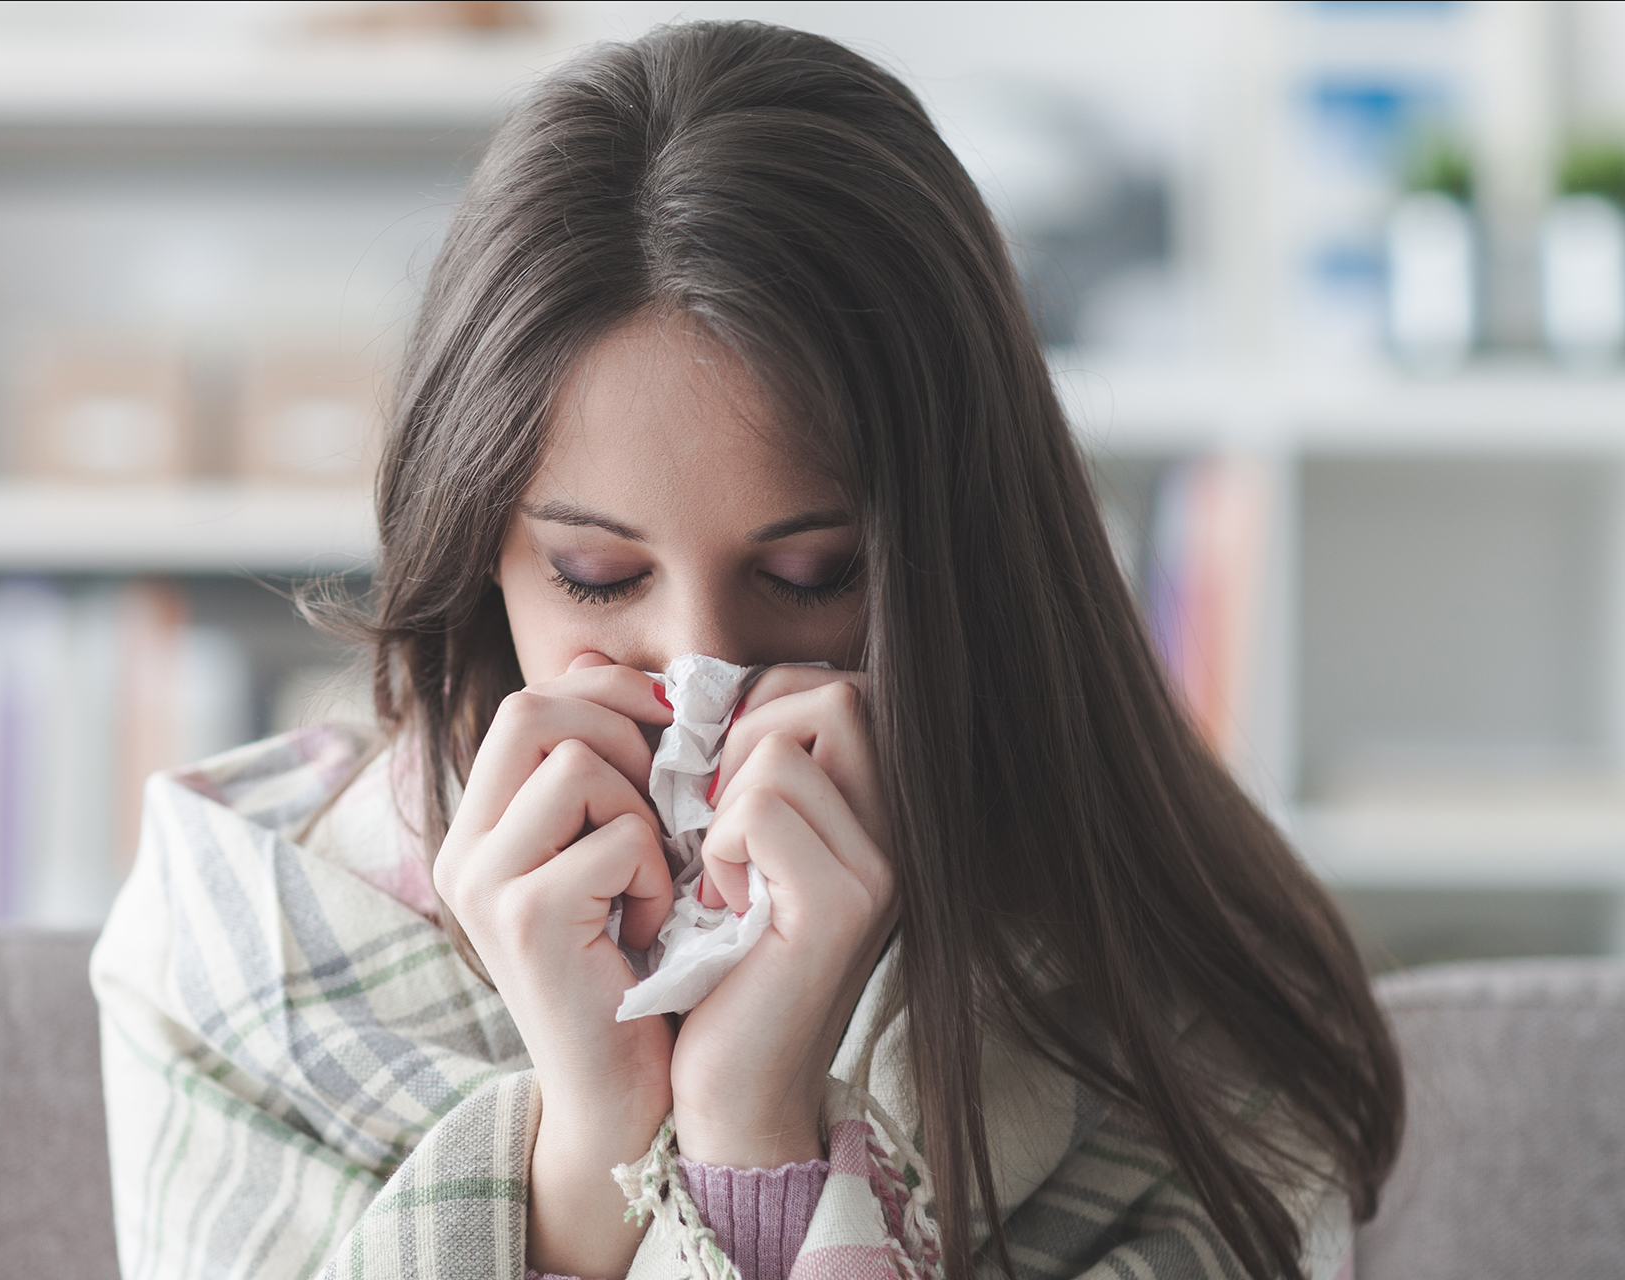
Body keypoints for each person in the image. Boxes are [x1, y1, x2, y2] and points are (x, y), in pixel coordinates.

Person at [91, 21, 1401, 1280]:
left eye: (808, 574)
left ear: (961, 560)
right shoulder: (240, 935)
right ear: (476, 548)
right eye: (596, 576)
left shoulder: (1174, 995)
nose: (698, 671)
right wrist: (589, 1148)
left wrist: (750, 1129)